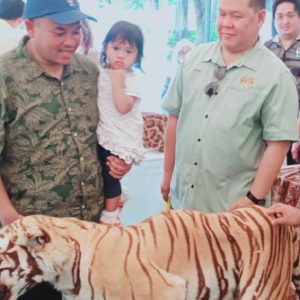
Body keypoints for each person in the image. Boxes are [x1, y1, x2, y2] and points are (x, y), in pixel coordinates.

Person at [0, 0, 131, 299]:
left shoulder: (88, 70)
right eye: (60, 31)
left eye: (77, 31)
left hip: (89, 235)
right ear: (30, 27)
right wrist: (11, 218)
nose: (72, 41)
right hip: (34, 242)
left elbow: (105, 131)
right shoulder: (5, 76)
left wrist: (121, 159)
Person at [161, 0, 299, 213]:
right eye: (222, 14)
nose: (226, 23)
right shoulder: (193, 59)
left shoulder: (276, 76)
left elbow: (278, 144)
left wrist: (254, 197)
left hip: (231, 211)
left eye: (236, 16)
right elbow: (174, 117)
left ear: (260, 18)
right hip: (182, 203)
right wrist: (168, 173)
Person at [97, 21, 145, 226]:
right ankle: (119, 198)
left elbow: (123, 107)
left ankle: (111, 216)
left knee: (110, 176)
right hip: (104, 131)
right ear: (105, 46)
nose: (120, 55)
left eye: (128, 51)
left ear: (137, 56)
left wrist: (118, 82)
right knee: (101, 170)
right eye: (115, 48)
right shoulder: (101, 71)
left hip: (120, 136)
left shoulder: (132, 79)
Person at [265, 0, 300, 165]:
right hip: (270, 123)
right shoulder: (265, 49)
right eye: (279, 16)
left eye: (290, 16)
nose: (284, 21)